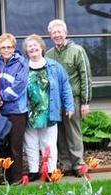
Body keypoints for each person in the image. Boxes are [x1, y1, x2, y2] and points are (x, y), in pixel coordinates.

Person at [22, 34, 74, 181]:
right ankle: (33, 171)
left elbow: (65, 87)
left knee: (49, 143)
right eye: (29, 46)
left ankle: (50, 171)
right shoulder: (23, 68)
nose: (32, 48)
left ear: (41, 48)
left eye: (35, 45)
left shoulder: (54, 66)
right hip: (29, 112)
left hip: (49, 111)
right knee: (31, 143)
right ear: (26, 50)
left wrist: (69, 106)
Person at [46, 19, 92, 177]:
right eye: (54, 33)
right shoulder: (48, 55)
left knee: (73, 132)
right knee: (59, 133)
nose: (57, 35)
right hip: (55, 102)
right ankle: (65, 164)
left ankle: (78, 164)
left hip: (74, 99)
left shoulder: (77, 50)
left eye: (59, 32)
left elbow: (85, 77)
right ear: (50, 35)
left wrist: (85, 102)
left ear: (65, 33)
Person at [0, 33, 29, 184]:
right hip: (1, 111)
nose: (6, 50)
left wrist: (1, 96)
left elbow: (19, 87)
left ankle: (16, 178)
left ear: (14, 48)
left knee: (15, 146)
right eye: (3, 47)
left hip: (17, 111)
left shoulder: (22, 63)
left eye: (9, 47)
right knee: (2, 146)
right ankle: (5, 177)